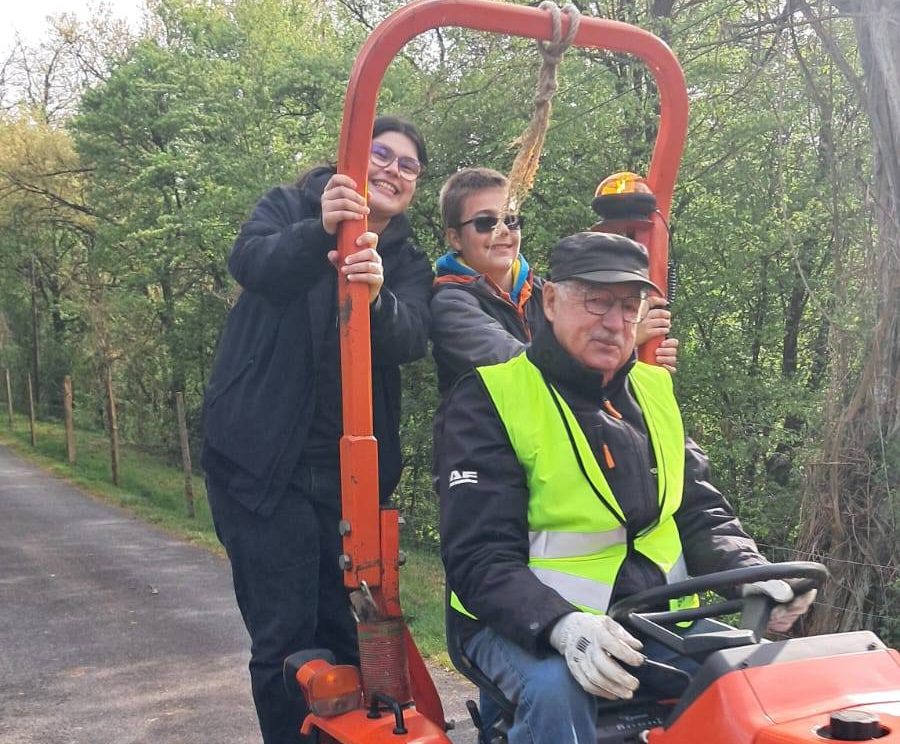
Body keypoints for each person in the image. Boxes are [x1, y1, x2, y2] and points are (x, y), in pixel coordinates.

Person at [437, 231, 816, 744]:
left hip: (652, 619)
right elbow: (479, 559)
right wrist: (562, 626)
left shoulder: (654, 392)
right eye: (596, 301)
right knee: (556, 688)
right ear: (550, 300)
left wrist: (748, 574)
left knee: (755, 676)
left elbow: (699, 509)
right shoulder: (490, 399)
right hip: (521, 622)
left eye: (630, 305)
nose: (614, 323)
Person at [201, 116, 433, 744]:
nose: (391, 170)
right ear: (352, 160)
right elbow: (251, 262)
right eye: (380, 154)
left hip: (349, 476)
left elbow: (412, 336)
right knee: (286, 636)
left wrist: (377, 298)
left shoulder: (407, 258)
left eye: (407, 165)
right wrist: (321, 230)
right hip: (261, 465)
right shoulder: (290, 206)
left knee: (352, 635)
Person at [430, 167, 677, 398]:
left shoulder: (544, 292)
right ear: (455, 238)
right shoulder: (450, 304)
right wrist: (625, 340)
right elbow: (521, 368)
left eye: (511, 219)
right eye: (486, 223)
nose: (503, 230)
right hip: (486, 439)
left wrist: (632, 356)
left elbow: (590, 379)